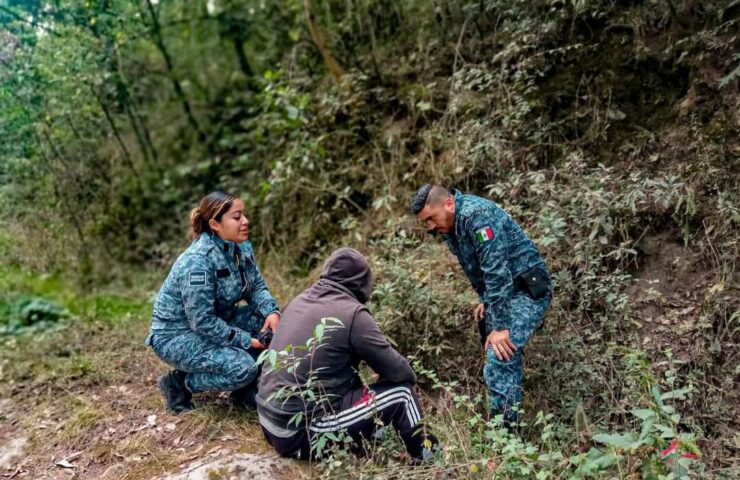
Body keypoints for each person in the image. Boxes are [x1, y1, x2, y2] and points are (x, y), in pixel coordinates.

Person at [257, 248, 438, 461]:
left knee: (349, 376)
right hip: (300, 434)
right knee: (402, 395)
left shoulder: (300, 300)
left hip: (270, 424)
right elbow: (400, 371)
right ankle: (432, 462)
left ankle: (373, 443)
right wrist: (392, 377)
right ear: (363, 283)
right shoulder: (352, 313)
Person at [410, 184, 552, 427]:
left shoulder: (477, 216)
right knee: (494, 344)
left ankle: (506, 436)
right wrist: (487, 302)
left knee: (499, 355)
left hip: (528, 289)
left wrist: (500, 326)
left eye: (431, 218)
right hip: (506, 291)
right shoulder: (451, 226)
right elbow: (477, 268)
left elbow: (497, 272)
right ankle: (509, 410)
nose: (431, 226)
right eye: (426, 222)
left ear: (449, 203)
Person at [146, 191, 281, 414]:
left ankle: (243, 392)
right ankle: (179, 384)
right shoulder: (198, 261)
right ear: (215, 225)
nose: (245, 221)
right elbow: (202, 321)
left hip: (219, 321)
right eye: (237, 217)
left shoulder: (242, 247)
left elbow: (255, 287)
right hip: (177, 335)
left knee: (268, 323)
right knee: (242, 368)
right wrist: (246, 341)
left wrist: (272, 312)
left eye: (243, 215)